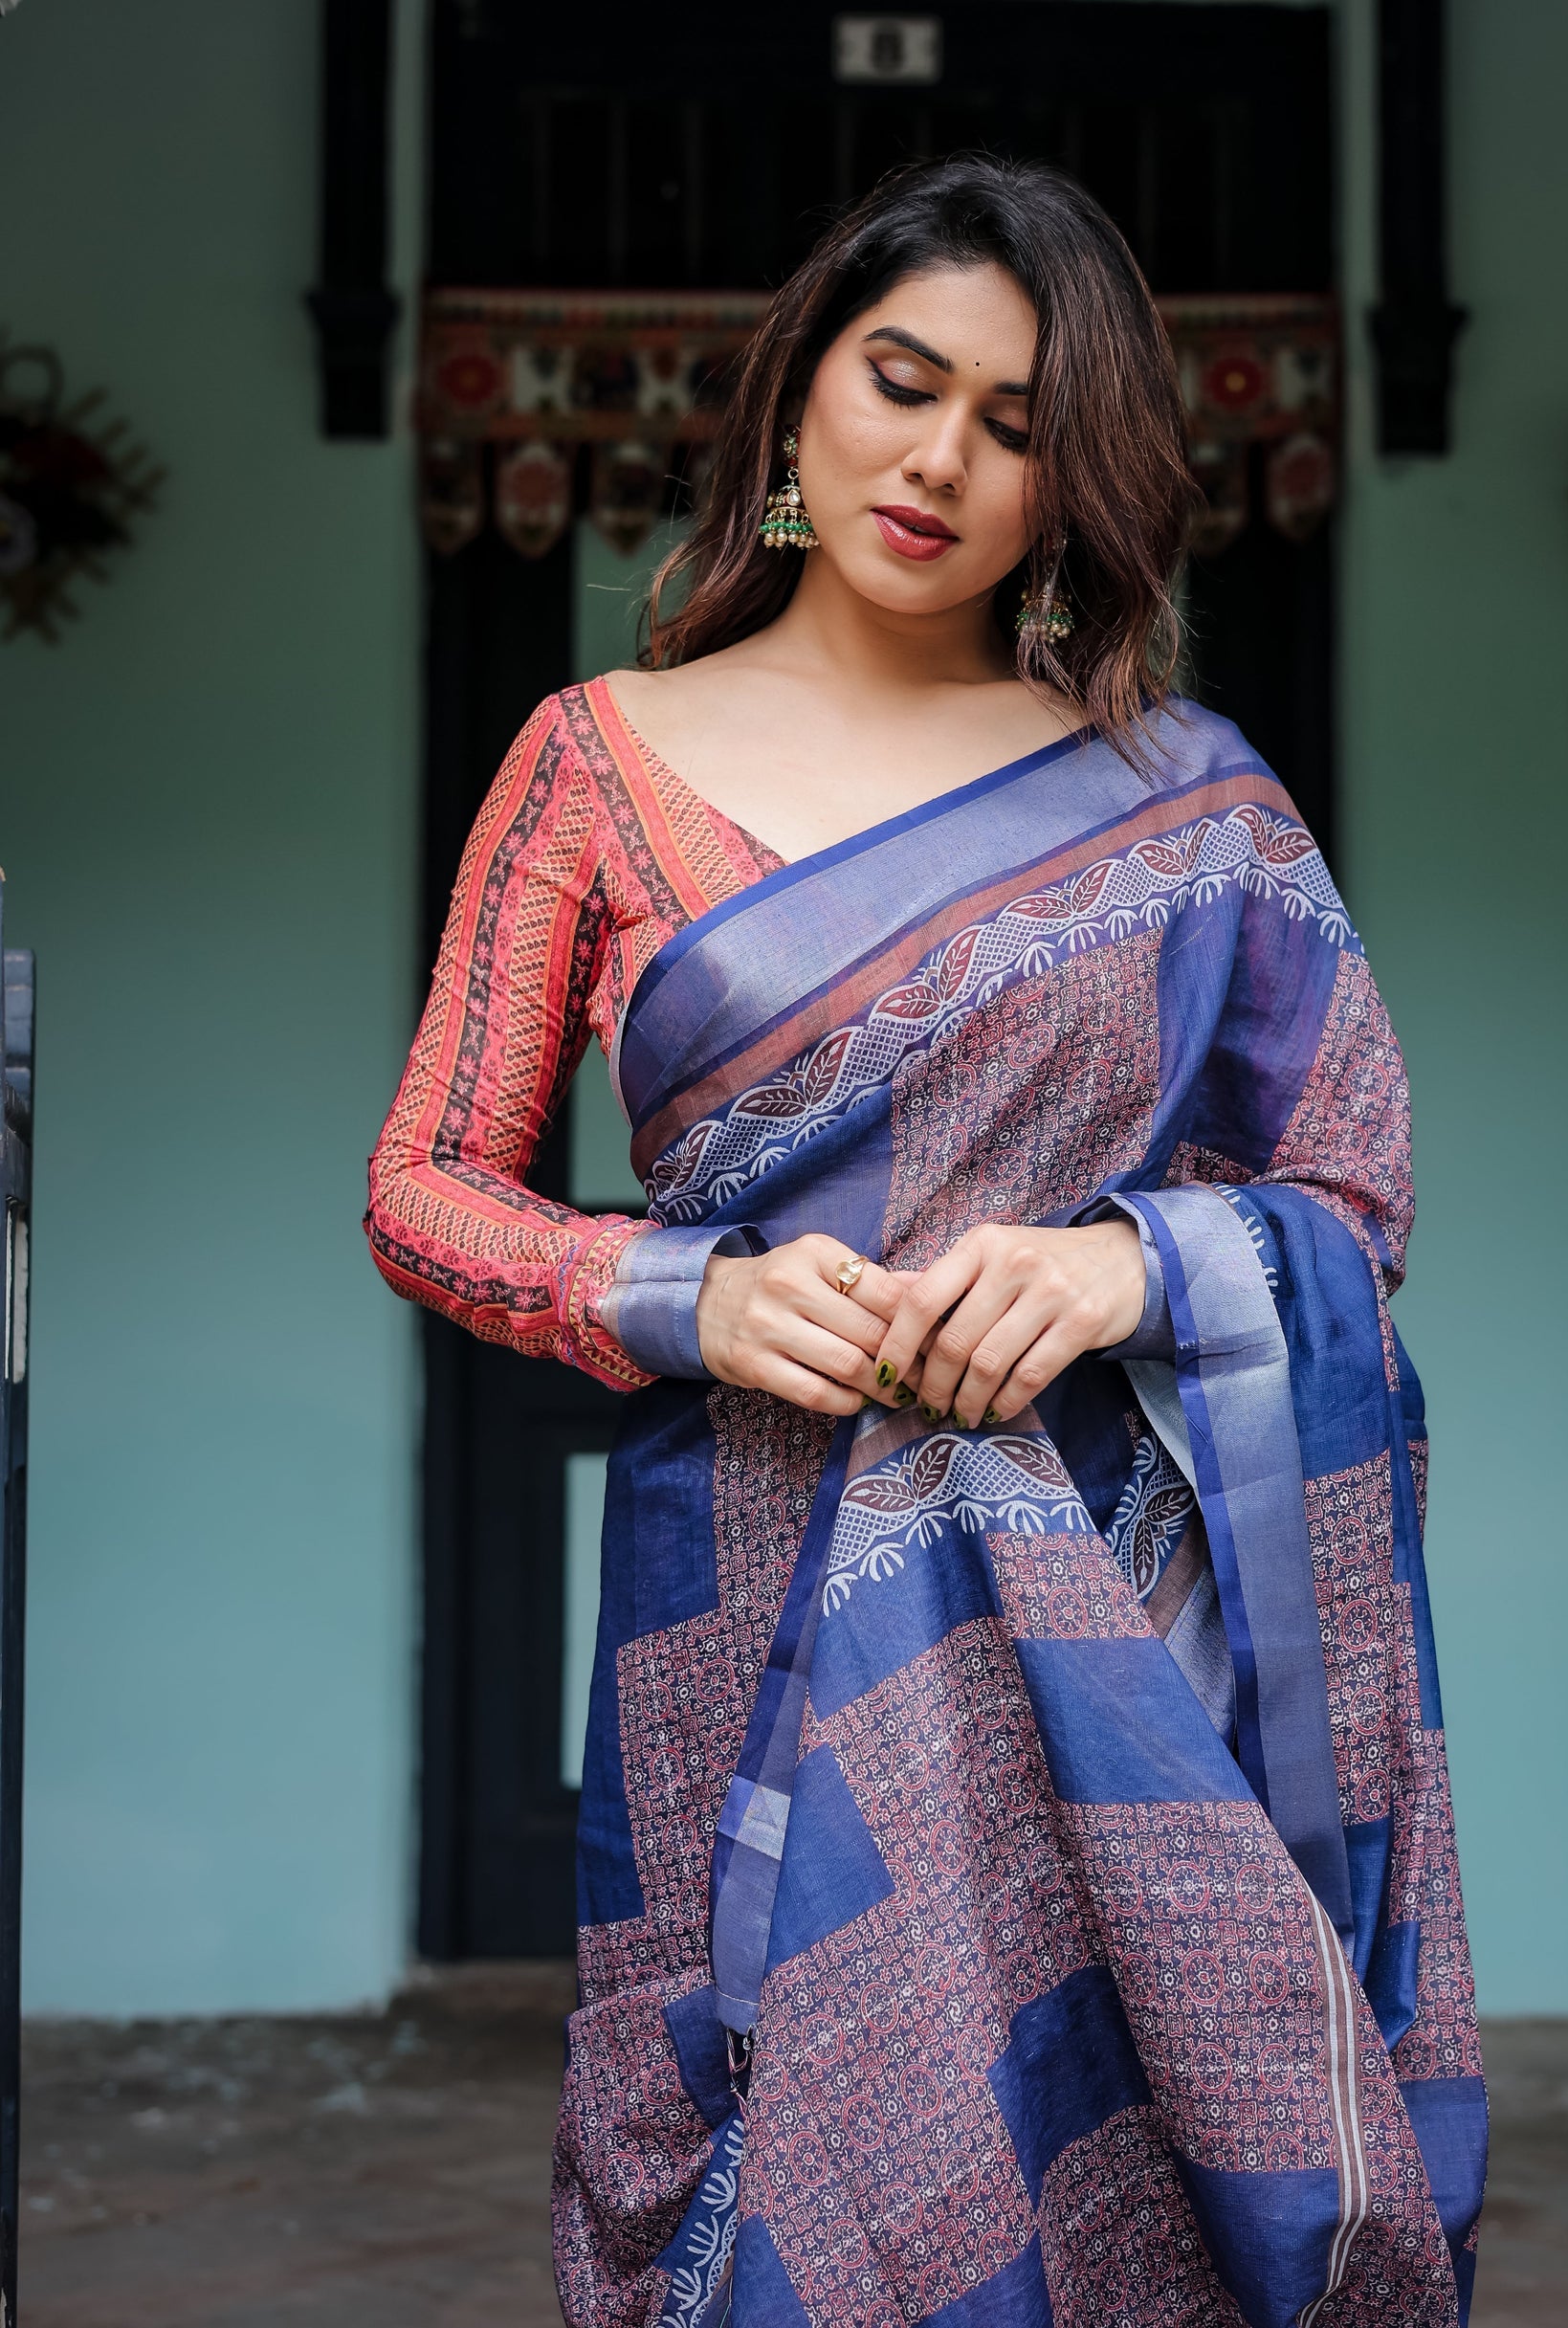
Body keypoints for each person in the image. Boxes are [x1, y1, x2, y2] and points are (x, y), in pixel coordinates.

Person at [367, 154, 1485, 2328]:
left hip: (1112, 1612)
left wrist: (1123, 1267)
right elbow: (428, 1183)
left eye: (1017, 424)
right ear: (803, 383)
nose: (942, 460)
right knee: (751, 2161)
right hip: (740, 1585)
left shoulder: (1186, 798)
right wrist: (688, 1291)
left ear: (1074, 481)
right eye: (904, 382)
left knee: (1118, 2152)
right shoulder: (593, 763)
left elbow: (1351, 1187)